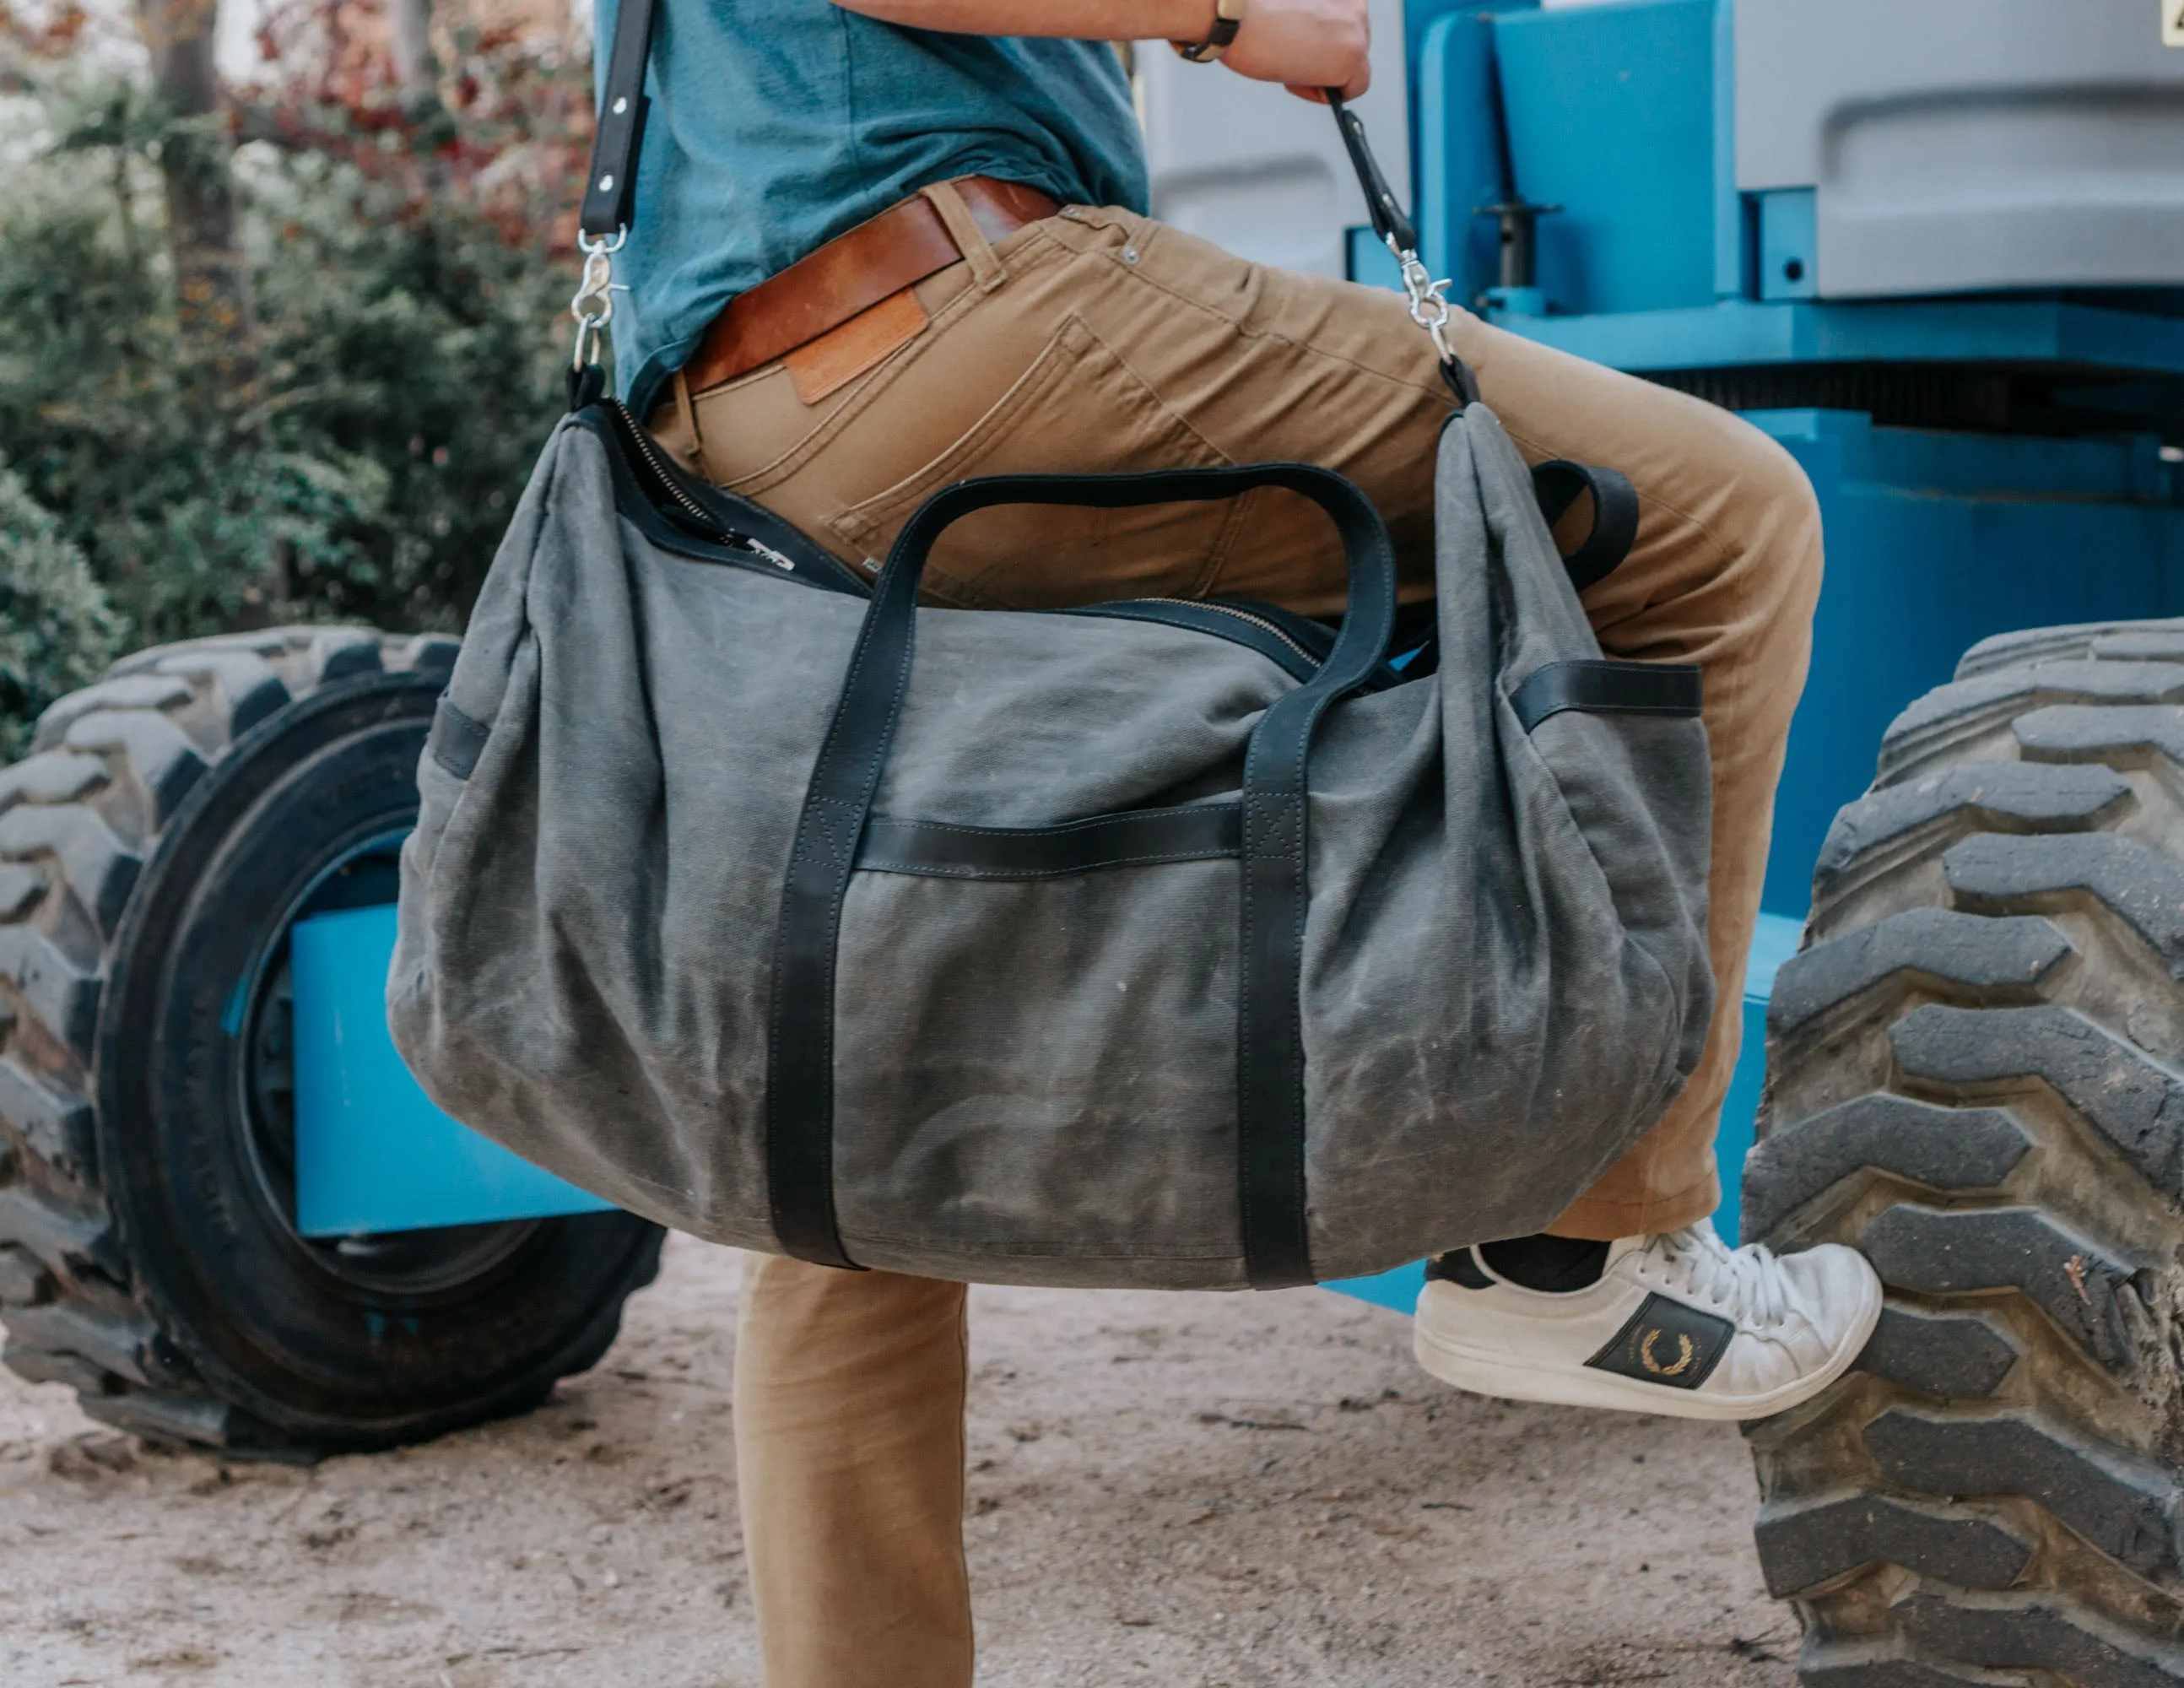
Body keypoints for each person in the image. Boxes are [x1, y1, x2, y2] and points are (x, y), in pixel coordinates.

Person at [595, 0, 1884, 1679]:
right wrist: (1227, 18)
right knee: (1714, 515)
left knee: (856, 1103)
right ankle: (1576, 1244)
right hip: (945, 315)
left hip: (732, 409)